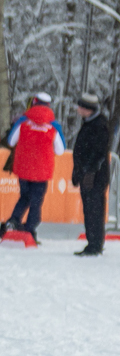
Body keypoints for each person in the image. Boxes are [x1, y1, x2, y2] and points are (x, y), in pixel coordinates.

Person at [5, 98, 65, 241]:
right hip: (42, 171)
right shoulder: (53, 126)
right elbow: (61, 150)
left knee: (24, 197)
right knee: (36, 201)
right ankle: (30, 230)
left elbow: (10, 141)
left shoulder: (23, 121)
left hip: (24, 169)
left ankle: (13, 221)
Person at [72, 94, 111, 256]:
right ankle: (93, 242)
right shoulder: (90, 124)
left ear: (89, 109)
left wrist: (89, 170)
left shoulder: (99, 125)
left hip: (95, 176)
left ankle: (95, 244)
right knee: (89, 208)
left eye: (81, 107)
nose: (78, 109)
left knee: (94, 208)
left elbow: (99, 152)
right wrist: (78, 171)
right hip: (88, 173)